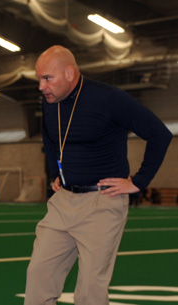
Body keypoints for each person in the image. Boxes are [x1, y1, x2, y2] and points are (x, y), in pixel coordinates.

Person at [25, 45, 172, 305]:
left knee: (90, 289)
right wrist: (55, 171)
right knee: (38, 274)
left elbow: (159, 134)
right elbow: (49, 136)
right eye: (39, 78)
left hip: (103, 202)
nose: (41, 86)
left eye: (47, 78)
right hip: (63, 201)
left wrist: (138, 182)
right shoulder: (50, 101)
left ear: (70, 73)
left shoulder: (108, 98)